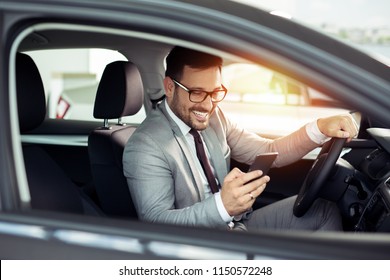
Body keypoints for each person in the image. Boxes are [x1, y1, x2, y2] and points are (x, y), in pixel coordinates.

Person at [123, 46, 358, 232]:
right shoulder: (145, 145)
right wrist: (222, 208)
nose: (207, 105)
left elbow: (269, 149)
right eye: (196, 93)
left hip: (238, 224)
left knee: (323, 211)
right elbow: (156, 224)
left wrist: (319, 128)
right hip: (197, 245)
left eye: (215, 93)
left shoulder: (215, 118)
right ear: (169, 88)